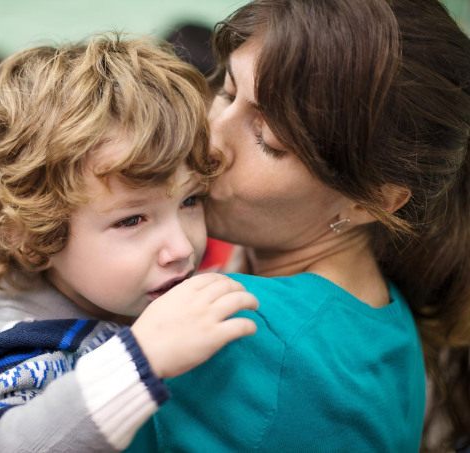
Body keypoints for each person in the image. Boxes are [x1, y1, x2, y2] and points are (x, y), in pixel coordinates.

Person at [126, 0, 470, 451]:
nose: (211, 141)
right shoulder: (382, 307)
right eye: (228, 92)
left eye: (268, 141)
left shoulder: (242, 334)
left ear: (375, 200)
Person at [0, 34, 259, 453]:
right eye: (132, 219)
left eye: (190, 200)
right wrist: (139, 359)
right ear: (34, 236)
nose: (182, 247)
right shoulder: (17, 356)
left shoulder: (109, 290)